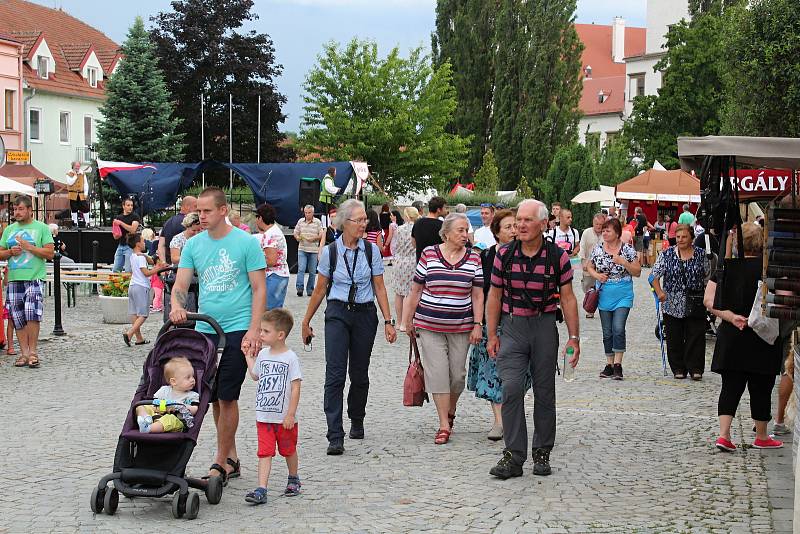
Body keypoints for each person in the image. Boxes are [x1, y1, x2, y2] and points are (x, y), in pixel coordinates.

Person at [170, 186, 266, 484]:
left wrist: (254, 329)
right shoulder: (194, 245)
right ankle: (231, 457)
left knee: (228, 395)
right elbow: (181, 285)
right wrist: (175, 305)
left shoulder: (246, 243)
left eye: (207, 210)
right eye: (198, 211)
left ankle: (219, 460)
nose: (201, 215)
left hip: (237, 327)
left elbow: (259, 288)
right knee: (211, 397)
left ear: (223, 210)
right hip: (205, 328)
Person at [485, 199, 580, 479]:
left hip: (544, 325)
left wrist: (574, 337)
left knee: (544, 392)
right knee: (511, 388)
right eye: (518, 221)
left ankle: (542, 452)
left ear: (542, 224)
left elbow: (568, 297)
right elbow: (494, 295)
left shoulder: (557, 256)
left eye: (527, 221)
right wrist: (492, 334)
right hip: (513, 326)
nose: (521, 226)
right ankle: (514, 456)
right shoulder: (505, 254)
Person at [301, 199, 397, 456]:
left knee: (359, 372)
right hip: (337, 313)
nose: (364, 224)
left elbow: (379, 286)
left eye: (366, 219)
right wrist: (306, 321)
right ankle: (335, 434)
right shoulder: (331, 252)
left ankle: (357, 417)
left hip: (365, 314)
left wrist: (389, 321)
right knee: (335, 374)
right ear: (344, 222)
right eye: (360, 220)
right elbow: (320, 288)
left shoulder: (371, 251)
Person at [403, 213, 484, 445]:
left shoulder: (473, 259)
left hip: (461, 325)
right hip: (429, 325)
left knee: (457, 376)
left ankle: (451, 409)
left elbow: (477, 295)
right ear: (446, 233)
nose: (465, 234)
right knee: (437, 374)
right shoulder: (429, 254)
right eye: (460, 230)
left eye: (466, 230)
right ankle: (443, 424)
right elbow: (416, 290)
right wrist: (408, 320)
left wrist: (478, 324)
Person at [705, 222, 784, 451]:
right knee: (762, 387)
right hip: (763, 336)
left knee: (730, 387)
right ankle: (761, 435)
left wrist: (730, 317)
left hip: (732, 334)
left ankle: (724, 435)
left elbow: (709, 301)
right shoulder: (769, 268)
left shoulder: (726, 268)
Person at [468, 208, 517, 441]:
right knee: (491, 371)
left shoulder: (524, 255)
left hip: (518, 323)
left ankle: (511, 414)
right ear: (496, 232)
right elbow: (478, 291)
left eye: (515, 225)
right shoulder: (486, 257)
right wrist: (477, 322)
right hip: (491, 323)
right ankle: (499, 422)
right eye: (508, 227)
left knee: (515, 374)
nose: (514, 230)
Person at [244, 309, 302, 504]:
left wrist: (291, 414)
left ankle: (293, 478)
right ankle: (262, 488)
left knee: (288, 450)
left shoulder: (290, 358)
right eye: (261, 330)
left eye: (265, 331)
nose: (261, 334)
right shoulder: (263, 355)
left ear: (280, 335)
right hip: (264, 417)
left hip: (284, 417)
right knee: (264, 452)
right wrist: (248, 356)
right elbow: (255, 375)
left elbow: (295, 387)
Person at [0, 195, 54, 369]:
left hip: (34, 278)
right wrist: (10, 252)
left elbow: (50, 253)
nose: (17, 212)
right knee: (17, 316)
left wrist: (29, 247)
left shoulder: (41, 228)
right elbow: (1, 252)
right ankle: (23, 353)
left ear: (30, 210)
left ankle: (33, 352)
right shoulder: (9, 230)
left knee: (32, 313)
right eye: (14, 209)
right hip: (15, 278)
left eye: (21, 209)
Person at [651, 224, 709, 380]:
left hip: (695, 300)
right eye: (678, 237)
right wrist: (660, 292)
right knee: (674, 335)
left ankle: (695, 367)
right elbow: (653, 276)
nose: (681, 240)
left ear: (692, 238)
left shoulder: (701, 254)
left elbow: (707, 277)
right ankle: (678, 368)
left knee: (696, 335)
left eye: (684, 237)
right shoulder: (667, 254)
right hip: (672, 301)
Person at [587, 218, 641, 380]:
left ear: (617, 233)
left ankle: (618, 364)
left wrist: (623, 262)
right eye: (603, 230)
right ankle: (609, 364)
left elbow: (637, 271)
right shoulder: (597, 249)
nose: (604, 233)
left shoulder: (627, 250)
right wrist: (596, 275)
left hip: (623, 293)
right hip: (604, 293)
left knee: (618, 328)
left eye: (608, 230)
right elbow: (589, 266)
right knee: (607, 331)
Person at [135, 356, 199, 433]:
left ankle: (148, 428)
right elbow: (154, 405)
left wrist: (181, 407)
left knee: (169, 419)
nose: (192, 380)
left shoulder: (192, 395)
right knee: (140, 406)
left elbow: (195, 409)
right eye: (188, 377)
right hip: (158, 414)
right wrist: (162, 408)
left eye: (193, 376)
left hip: (177, 419)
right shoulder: (164, 390)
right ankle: (146, 418)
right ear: (173, 381)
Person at [123, 233, 161, 346]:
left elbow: (150, 260)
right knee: (143, 314)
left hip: (132, 286)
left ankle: (139, 338)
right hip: (141, 286)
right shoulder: (140, 257)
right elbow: (146, 273)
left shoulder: (134, 255)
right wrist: (158, 269)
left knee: (134, 313)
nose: (145, 243)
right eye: (143, 241)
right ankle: (129, 334)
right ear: (138, 244)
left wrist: (145, 256)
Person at [255, 203, 290, 310]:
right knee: (275, 312)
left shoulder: (270, 234)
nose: (256, 221)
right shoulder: (275, 231)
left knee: (270, 313)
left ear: (261, 218)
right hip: (279, 275)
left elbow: (271, 260)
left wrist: (254, 263)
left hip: (274, 276)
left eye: (257, 217)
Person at [389, 206, 418, 331]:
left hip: (399, 261)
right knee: (409, 293)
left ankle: (399, 321)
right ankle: (405, 323)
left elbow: (395, 245)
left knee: (398, 293)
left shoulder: (399, 229)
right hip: (412, 261)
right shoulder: (417, 229)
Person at [293, 205, 325, 297]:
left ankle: (310, 289)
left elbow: (321, 234)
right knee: (301, 269)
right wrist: (298, 237)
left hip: (313, 250)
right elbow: (295, 232)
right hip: (302, 248)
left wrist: (314, 238)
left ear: (313, 213)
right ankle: (300, 288)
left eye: (309, 212)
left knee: (312, 271)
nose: (307, 214)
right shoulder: (300, 221)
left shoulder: (317, 222)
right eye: (306, 212)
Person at [579, 213, 606, 318]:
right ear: (593, 223)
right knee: (589, 288)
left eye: (601, 224)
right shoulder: (587, 233)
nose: (598, 226)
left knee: (602, 289)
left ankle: (602, 309)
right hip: (588, 266)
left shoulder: (606, 233)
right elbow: (582, 248)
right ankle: (590, 308)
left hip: (602, 267)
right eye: (596, 224)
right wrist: (584, 262)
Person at [158, 196, 197, 263]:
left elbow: (161, 245)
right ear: (187, 207)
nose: (198, 209)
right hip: (186, 265)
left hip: (170, 265)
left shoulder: (168, 222)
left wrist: (163, 263)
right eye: (195, 206)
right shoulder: (191, 224)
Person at [412, 196, 447, 261]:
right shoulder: (442, 225)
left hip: (421, 261)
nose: (446, 210)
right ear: (438, 210)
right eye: (445, 207)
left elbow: (414, 243)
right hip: (436, 262)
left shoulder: (417, 223)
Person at [112, 198, 141, 272]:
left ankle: (128, 283)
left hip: (130, 247)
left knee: (128, 270)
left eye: (131, 205)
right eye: (128, 205)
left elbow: (133, 230)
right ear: (123, 206)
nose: (130, 207)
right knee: (115, 270)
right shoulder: (119, 217)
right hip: (120, 245)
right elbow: (115, 236)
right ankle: (115, 283)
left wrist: (121, 223)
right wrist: (116, 234)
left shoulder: (135, 216)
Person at [64, 161, 89, 227]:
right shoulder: (69, 173)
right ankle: (75, 223)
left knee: (85, 208)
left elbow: (85, 184)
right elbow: (70, 183)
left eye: (78, 166)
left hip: (81, 194)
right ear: (73, 166)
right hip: (73, 194)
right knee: (74, 208)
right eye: (76, 166)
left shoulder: (82, 173)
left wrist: (86, 193)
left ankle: (87, 222)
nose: (77, 167)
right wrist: (75, 176)